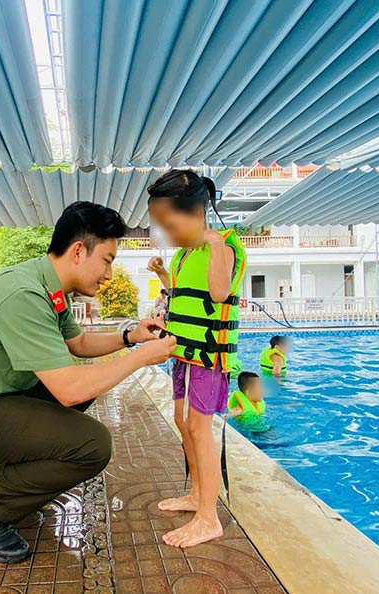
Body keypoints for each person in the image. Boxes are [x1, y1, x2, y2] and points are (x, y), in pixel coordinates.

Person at [0, 202, 176, 564]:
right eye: (107, 259)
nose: (109, 274)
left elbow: (80, 343)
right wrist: (142, 358)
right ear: (79, 250)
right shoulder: (24, 293)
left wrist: (132, 336)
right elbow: (69, 389)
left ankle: (14, 482)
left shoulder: (46, 286)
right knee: (91, 444)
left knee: (80, 398)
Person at [145, 170, 247, 548]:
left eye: (170, 225)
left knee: (200, 428)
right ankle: (196, 495)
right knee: (181, 421)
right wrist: (162, 274)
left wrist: (215, 244)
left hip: (208, 356)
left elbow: (219, 293)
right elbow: (184, 294)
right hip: (182, 351)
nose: (167, 235)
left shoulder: (226, 246)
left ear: (194, 212)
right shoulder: (186, 252)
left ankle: (209, 517)